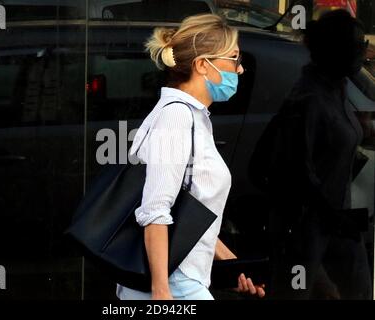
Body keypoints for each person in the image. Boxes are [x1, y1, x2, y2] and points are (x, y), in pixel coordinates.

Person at [115, 13, 265, 300]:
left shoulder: (194, 117)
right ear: (202, 65)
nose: (241, 69)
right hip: (174, 285)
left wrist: (235, 268)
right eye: (234, 58)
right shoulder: (175, 117)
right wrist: (162, 293)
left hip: (184, 279)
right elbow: (155, 210)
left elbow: (187, 213)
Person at [262, 9, 372, 299]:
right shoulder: (308, 100)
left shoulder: (338, 90)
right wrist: (333, 217)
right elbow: (296, 173)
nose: (365, 51)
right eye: (357, 45)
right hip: (306, 230)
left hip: (337, 224)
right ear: (336, 50)